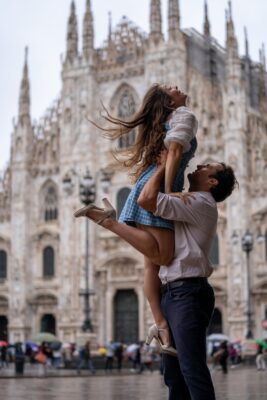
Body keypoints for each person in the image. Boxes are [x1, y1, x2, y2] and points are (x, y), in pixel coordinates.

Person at [75, 155, 237, 399]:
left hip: (188, 294)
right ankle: (110, 221)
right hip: (173, 293)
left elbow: (148, 199)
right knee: (173, 375)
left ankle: (110, 222)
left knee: (192, 369)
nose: (200, 165)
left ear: (212, 182)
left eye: (207, 168)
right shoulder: (188, 200)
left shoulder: (201, 202)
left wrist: (164, 164)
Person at [75, 84, 198, 355]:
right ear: (168, 103)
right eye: (170, 89)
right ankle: (110, 222)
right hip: (156, 191)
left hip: (144, 188)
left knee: (150, 268)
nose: (177, 87)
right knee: (163, 258)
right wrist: (170, 196)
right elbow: (175, 154)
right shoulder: (183, 115)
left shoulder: (162, 123)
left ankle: (160, 325)